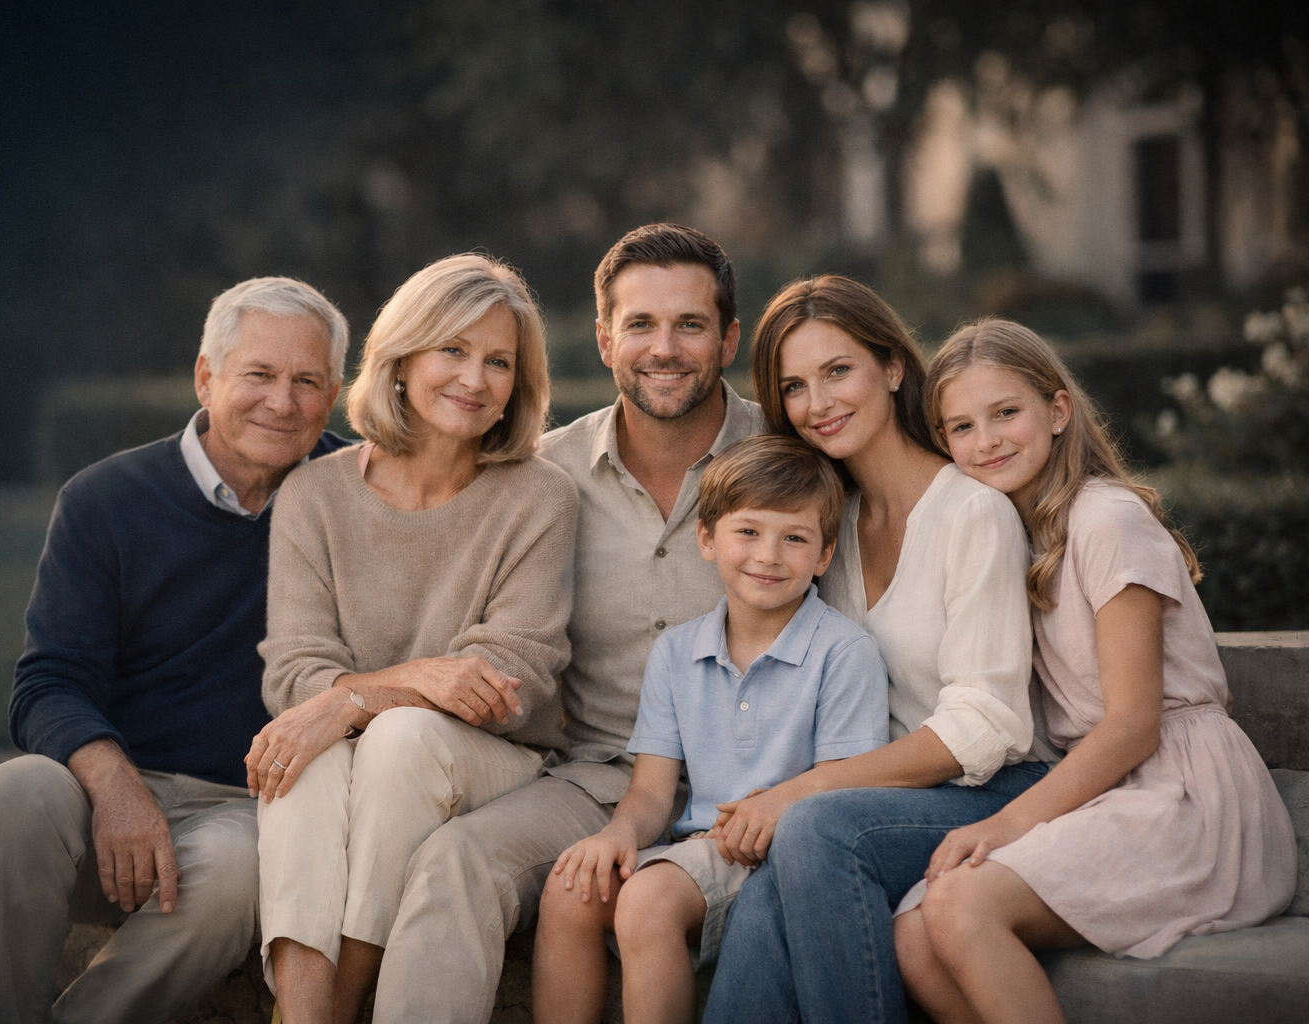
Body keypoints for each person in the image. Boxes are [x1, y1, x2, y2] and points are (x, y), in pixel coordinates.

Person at [363, 223, 765, 1023]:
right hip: (598, 779)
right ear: (605, 338)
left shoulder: (788, 460)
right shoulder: (542, 475)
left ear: (728, 340)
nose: (664, 348)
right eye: (640, 324)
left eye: (689, 325)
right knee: (456, 859)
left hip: (758, 783)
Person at [0, 277, 354, 1024]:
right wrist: (115, 786)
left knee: (237, 868)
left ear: (333, 395)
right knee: (15, 794)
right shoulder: (103, 499)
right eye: (259, 374)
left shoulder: (355, 494)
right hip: (109, 785)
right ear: (206, 377)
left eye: (307, 382)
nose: (282, 402)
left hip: (248, 808)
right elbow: (49, 683)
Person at [889, 318, 1297, 1024]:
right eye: (961, 427)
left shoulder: (1107, 519)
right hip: (1107, 792)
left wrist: (1006, 826)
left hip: (1187, 797)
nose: (987, 441)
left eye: (1006, 412)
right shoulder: (1008, 536)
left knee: (960, 904)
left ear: (1057, 410)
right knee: (914, 932)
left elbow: (1134, 725)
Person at [702, 275, 1053, 1024]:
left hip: (1001, 789)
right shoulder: (826, 529)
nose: (818, 402)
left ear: (892, 368)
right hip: (885, 798)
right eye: (794, 386)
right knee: (764, 896)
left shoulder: (973, 513)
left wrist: (805, 790)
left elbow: (987, 723)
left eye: (838, 371)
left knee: (812, 830)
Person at [242, 253, 577, 1024]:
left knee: (396, 738)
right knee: (303, 754)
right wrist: (405, 682)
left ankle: (340, 1004)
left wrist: (356, 700)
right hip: (358, 751)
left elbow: (508, 681)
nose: (475, 379)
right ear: (401, 359)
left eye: (499, 362)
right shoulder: (314, 493)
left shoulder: (540, 496)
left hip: (494, 760)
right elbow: (295, 672)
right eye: (452, 350)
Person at [532, 435, 891, 1024]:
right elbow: (652, 792)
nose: (768, 555)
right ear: (706, 539)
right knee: (572, 885)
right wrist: (618, 834)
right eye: (747, 531)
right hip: (697, 851)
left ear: (825, 555)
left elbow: (841, 789)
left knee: (648, 900)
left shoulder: (843, 652)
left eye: (795, 538)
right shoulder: (677, 651)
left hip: (781, 859)